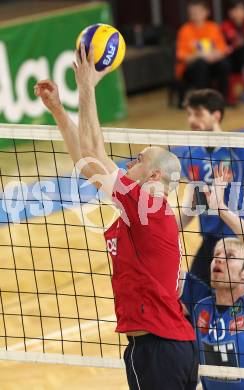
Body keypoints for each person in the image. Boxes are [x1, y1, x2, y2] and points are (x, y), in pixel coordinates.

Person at [34, 44, 198, 390]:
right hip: (168, 346)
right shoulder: (144, 213)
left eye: (138, 159)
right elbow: (89, 166)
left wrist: (87, 86)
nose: (128, 162)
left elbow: (94, 154)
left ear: (154, 176)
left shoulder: (146, 206)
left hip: (157, 349)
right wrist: (60, 114)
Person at [179, 161, 244, 389]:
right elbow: (164, 263)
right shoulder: (198, 298)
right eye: (217, 255)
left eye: (230, 256)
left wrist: (221, 209)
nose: (219, 259)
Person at [175, 89, 244, 286]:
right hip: (211, 242)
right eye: (189, 114)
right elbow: (198, 203)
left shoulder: (240, 150)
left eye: (198, 114)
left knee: (240, 304)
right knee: (190, 301)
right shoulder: (190, 155)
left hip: (242, 240)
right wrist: (171, 230)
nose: (192, 120)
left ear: (216, 116)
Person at [175, 0, 229, 98]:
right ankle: (202, 100)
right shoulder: (184, 30)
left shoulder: (213, 27)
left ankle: (223, 98)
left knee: (224, 64)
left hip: (211, 63)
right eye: (193, 13)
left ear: (207, 12)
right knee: (201, 64)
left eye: (199, 11)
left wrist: (216, 55)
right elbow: (181, 56)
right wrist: (199, 55)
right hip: (191, 68)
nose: (196, 15)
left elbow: (223, 49)